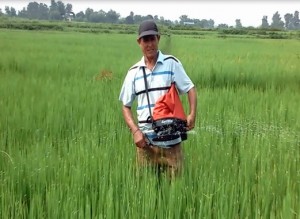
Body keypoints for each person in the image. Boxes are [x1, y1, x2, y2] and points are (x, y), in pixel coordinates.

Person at [119, 20, 197, 178]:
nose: (149, 44)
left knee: (175, 191)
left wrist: (192, 114)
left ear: (158, 39)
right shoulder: (133, 72)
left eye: (152, 39)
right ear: (139, 42)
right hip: (146, 145)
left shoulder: (171, 64)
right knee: (145, 191)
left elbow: (190, 88)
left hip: (172, 145)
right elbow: (125, 106)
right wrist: (135, 131)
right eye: (145, 40)